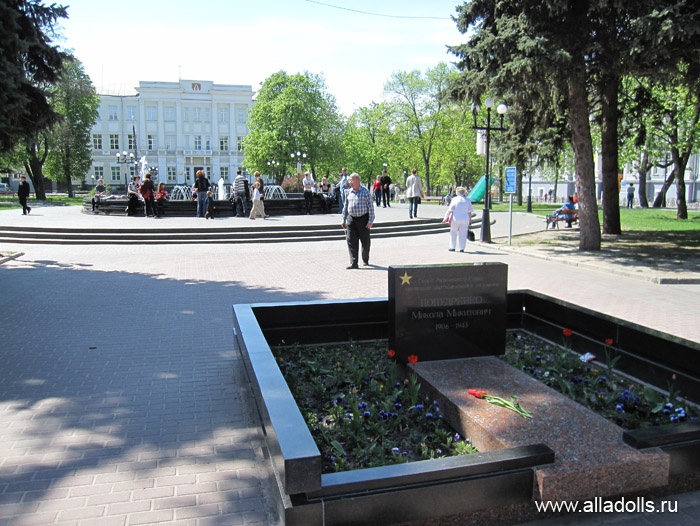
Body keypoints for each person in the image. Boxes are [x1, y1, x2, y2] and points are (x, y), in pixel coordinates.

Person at [341, 173, 375, 269]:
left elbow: (371, 207)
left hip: (363, 219)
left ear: (358, 181)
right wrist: (343, 219)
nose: (350, 182)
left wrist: (370, 221)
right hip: (351, 219)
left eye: (352, 180)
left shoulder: (365, 191)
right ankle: (354, 262)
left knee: (365, 241)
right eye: (349, 180)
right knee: (351, 240)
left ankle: (365, 259)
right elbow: (345, 207)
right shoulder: (348, 192)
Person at [445, 187, 474, 252]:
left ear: (457, 192)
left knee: (453, 233)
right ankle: (462, 248)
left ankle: (452, 247)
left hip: (455, 218)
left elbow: (450, 209)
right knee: (463, 234)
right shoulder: (468, 200)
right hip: (465, 218)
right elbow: (470, 212)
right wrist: (470, 219)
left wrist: (446, 217)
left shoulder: (454, 199)